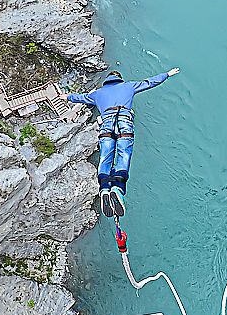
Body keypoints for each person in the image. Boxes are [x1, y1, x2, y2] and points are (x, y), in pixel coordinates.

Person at [59, 67, 180, 218]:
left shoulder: (97, 94)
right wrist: (167, 74)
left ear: (106, 81)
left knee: (105, 158)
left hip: (106, 125)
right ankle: (117, 189)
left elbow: (81, 98)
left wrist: (68, 96)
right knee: (123, 156)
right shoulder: (128, 86)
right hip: (124, 122)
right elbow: (149, 82)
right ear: (119, 79)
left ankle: (104, 189)